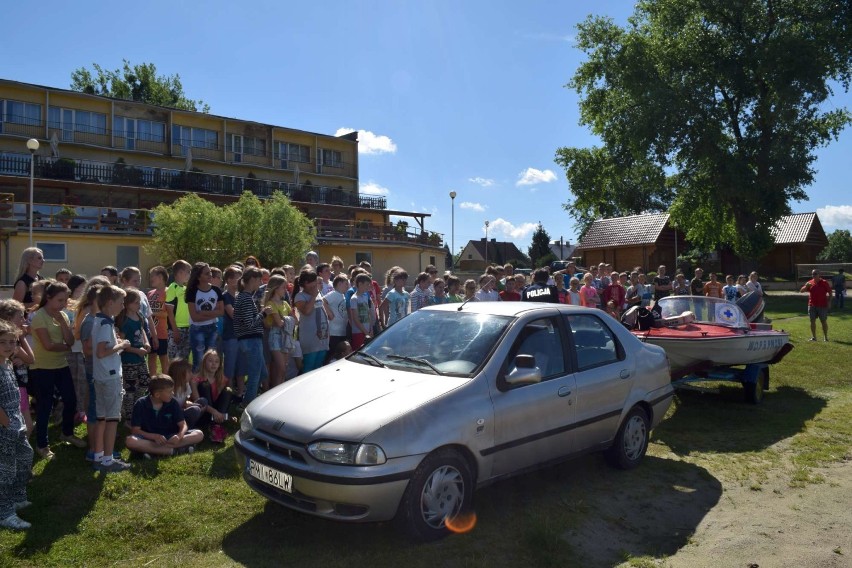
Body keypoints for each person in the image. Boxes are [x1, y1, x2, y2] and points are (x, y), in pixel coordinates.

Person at [29, 281, 86, 459]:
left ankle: (67, 433)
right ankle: (42, 445)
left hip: (61, 365)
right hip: (42, 367)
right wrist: (66, 347)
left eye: (65, 300)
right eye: (60, 300)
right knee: (45, 406)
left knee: (70, 400)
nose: (63, 304)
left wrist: (62, 322)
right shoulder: (39, 317)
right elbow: (48, 345)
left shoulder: (63, 316)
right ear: (48, 298)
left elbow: (69, 340)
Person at [91, 285, 133, 472]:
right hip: (110, 377)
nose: (123, 306)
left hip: (100, 376)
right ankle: (108, 460)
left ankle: (99, 456)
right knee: (112, 420)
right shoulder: (106, 324)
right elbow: (101, 352)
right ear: (110, 303)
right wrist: (121, 345)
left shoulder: (98, 321)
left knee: (101, 418)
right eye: (120, 302)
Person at [0, 319, 34, 531]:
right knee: (6, 470)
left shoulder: (7, 363)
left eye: (13, 342)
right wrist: (6, 424)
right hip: (5, 427)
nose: (9, 346)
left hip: (16, 423)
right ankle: (5, 513)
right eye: (3, 342)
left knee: (25, 457)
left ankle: (17, 497)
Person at [125, 374, 203, 458]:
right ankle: (174, 451)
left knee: (199, 434)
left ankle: (153, 452)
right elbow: (135, 430)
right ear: (157, 395)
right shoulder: (141, 404)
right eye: (170, 391)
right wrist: (154, 436)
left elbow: (183, 424)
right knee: (130, 441)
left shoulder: (173, 402)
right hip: (149, 439)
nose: (172, 393)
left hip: (170, 437)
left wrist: (179, 436)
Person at [233, 268, 273, 405]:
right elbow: (249, 323)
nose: (260, 283)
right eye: (259, 280)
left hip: (251, 340)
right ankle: (247, 404)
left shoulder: (244, 297)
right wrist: (263, 313)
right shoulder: (245, 298)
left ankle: (253, 400)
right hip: (251, 341)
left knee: (263, 374)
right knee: (255, 375)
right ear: (253, 280)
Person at [0, 300, 35, 438]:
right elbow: (31, 359)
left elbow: (29, 360)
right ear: (9, 319)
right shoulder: (11, 343)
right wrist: (20, 335)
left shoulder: (13, 342)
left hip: (19, 385)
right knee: (25, 426)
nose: (24, 319)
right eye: (20, 316)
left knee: (25, 425)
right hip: (14, 388)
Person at [116, 289, 151, 424]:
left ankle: (136, 407)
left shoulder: (139, 315)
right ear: (127, 303)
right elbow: (123, 344)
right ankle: (129, 417)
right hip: (129, 360)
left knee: (145, 382)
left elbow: (142, 331)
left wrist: (146, 343)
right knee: (130, 387)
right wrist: (136, 351)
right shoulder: (124, 321)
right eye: (136, 302)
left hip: (141, 358)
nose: (138, 305)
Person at [184, 262, 223, 373]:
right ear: (198, 276)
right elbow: (194, 317)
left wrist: (202, 313)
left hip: (212, 328)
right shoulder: (192, 292)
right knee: (199, 361)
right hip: (197, 330)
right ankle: (198, 388)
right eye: (206, 273)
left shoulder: (216, 290)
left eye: (210, 272)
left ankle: (210, 386)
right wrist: (213, 313)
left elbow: (221, 311)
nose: (210, 275)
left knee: (212, 360)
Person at [191, 350, 231, 442]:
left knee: (228, 390)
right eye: (210, 361)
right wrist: (214, 412)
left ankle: (216, 425)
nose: (213, 364)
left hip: (216, 413)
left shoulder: (222, 379)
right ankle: (216, 425)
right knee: (205, 384)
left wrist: (218, 413)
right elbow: (197, 401)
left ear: (220, 365)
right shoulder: (196, 379)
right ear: (204, 362)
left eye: (216, 361)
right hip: (203, 411)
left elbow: (221, 400)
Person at [294, 269, 330, 373]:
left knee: (318, 368)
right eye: (314, 281)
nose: (316, 284)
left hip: (322, 337)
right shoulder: (300, 296)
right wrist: (314, 296)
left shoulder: (317, 294)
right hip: (310, 339)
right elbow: (307, 311)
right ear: (306, 283)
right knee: (308, 368)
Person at [263, 275, 294, 387]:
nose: (285, 290)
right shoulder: (270, 303)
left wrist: (284, 319)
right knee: (280, 367)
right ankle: (274, 390)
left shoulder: (285, 303)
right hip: (275, 336)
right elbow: (279, 323)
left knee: (284, 368)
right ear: (276, 289)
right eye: (283, 287)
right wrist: (286, 319)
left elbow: (294, 320)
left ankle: (279, 388)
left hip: (285, 336)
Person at [146, 266, 171, 376]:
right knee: (151, 357)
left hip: (163, 333)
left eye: (152, 276)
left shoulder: (169, 292)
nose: (150, 278)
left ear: (160, 277)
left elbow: (169, 313)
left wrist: (151, 313)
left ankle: (165, 381)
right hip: (151, 332)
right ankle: (152, 381)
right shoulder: (150, 293)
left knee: (164, 358)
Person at [166, 260, 192, 363]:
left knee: (184, 359)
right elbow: (169, 310)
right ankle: (174, 379)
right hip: (176, 330)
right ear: (180, 272)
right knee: (175, 361)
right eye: (188, 272)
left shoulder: (186, 288)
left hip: (188, 328)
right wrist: (175, 330)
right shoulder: (173, 288)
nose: (189, 274)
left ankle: (183, 379)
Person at [323, 275, 350, 359]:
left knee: (339, 354)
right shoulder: (334, 294)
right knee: (332, 353)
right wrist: (329, 313)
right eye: (346, 284)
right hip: (333, 331)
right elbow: (323, 301)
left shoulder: (343, 295)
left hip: (341, 330)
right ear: (339, 283)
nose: (348, 286)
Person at [800, 270, 832, 342]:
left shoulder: (824, 282)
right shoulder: (810, 282)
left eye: (815, 274)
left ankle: (825, 337)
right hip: (812, 305)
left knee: (823, 321)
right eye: (812, 274)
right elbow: (801, 291)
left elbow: (830, 292)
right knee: (812, 321)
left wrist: (829, 302)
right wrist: (806, 286)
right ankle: (814, 337)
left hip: (822, 305)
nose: (813, 275)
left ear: (819, 274)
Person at [349, 274, 375, 350]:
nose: (368, 287)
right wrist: (366, 332)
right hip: (358, 332)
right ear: (360, 284)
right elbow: (356, 319)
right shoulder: (354, 298)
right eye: (367, 285)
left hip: (367, 331)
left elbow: (368, 313)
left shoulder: (365, 296)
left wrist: (371, 329)